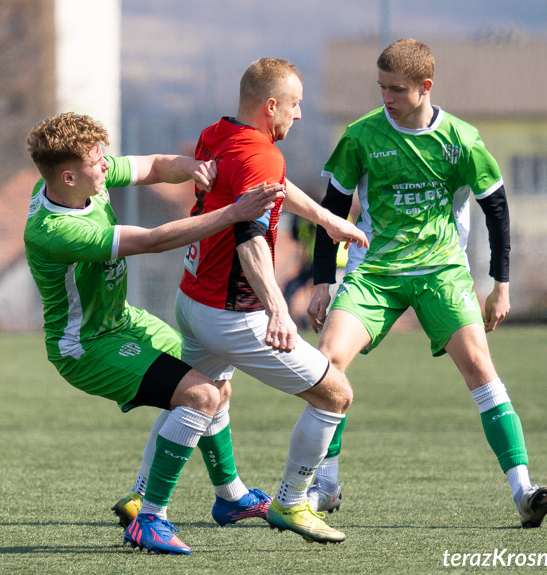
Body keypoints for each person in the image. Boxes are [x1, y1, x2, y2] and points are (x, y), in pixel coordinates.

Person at [114, 58, 369, 545]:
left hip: (192, 298)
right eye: (294, 105)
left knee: (201, 396)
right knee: (334, 394)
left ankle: (153, 498)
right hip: (231, 313)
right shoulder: (264, 155)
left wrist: (326, 220)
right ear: (270, 105)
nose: (299, 114)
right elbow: (250, 238)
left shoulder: (217, 133)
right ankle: (293, 503)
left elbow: (269, 191)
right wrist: (277, 309)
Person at [305, 39, 547, 528]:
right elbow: (330, 212)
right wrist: (322, 281)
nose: (387, 97)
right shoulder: (360, 137)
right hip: (374, 271)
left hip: (443, 271)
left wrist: (500, 284)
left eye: (397, 89)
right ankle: (327, 486)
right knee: (327, 362)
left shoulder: (461, 139)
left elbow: (497, 210)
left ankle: (523, 490)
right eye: (381, 87)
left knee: (481, 368)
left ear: (426, 87)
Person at [24, 112, 284, 555]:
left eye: (104, 155)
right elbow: (152, 240)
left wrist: (192, 166)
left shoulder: (83, 181)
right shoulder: (54, 230)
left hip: (124, 321)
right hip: (85, 347)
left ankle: (230, 497)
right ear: (68, 176)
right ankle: (149, 518)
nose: (106, 165)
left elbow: (152, 165)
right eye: (96, 160)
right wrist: (234, 213)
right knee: (199, 396)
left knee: (215, 383)